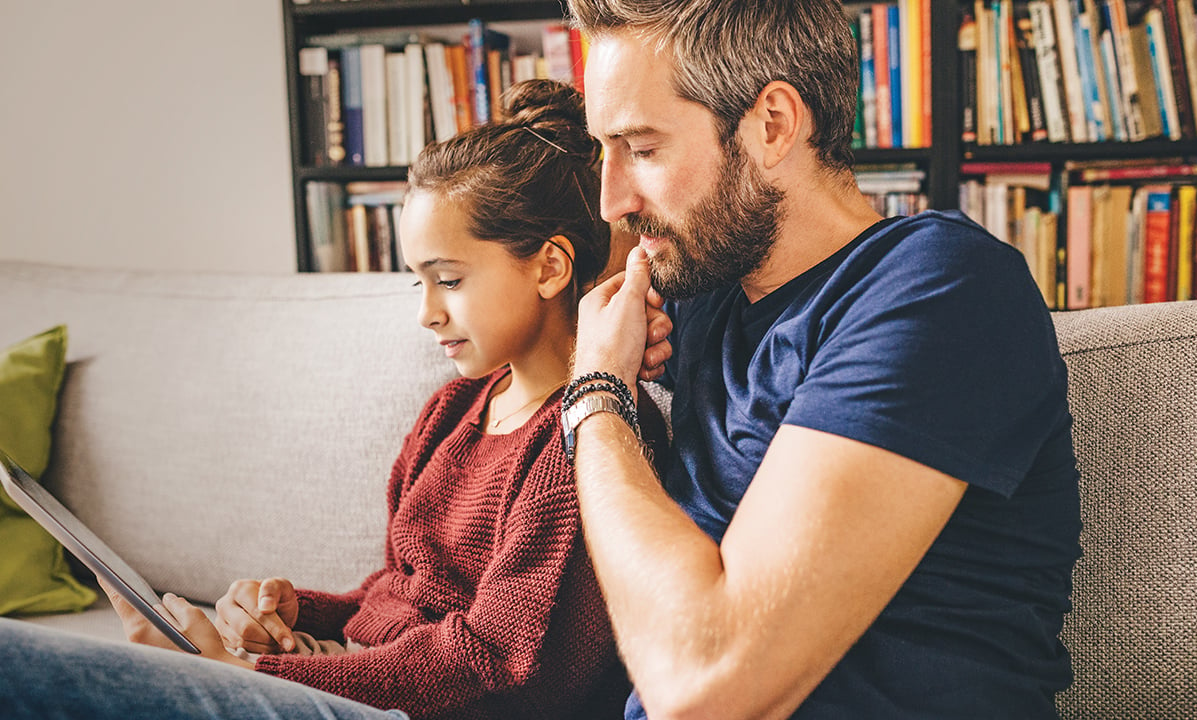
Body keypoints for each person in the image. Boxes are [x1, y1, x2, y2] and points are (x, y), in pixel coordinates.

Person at [0, 79, 653, 720]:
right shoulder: (452, 413)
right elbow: (398, 595)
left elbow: (495, 668)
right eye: (417, 281)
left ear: (548, 266)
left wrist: (252, 675)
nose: (427, 313)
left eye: (448, 280)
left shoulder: (584, 437)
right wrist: (295, 612)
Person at [557, 1, 1084, 718]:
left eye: (644, 149)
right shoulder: (708, 290)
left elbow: (707, 688)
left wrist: (597, 396)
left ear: (773, 124)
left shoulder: (940, 289)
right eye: (603, 151)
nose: (612, 199)